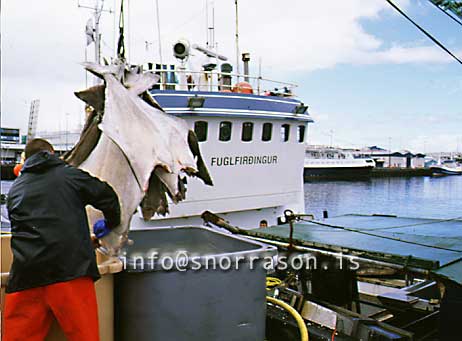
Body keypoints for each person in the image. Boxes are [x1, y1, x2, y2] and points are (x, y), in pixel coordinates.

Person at [3, 138, 120, 341]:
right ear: (52, 154)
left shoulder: (15, 190)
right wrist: (110, 223)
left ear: (26, 159)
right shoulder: (69, 175)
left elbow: (36, 230)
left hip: (26, 276)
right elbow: (107, 196)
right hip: (70, 272)